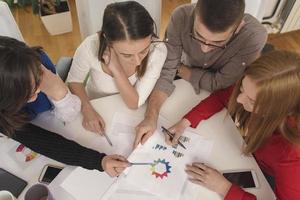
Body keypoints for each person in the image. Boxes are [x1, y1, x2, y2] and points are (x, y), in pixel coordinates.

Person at [167, 50, 300, 199]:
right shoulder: (257, 88)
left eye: (252, 101)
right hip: (256, 158)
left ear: (280, 109)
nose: (239, 99)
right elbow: (224, 96)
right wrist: (185, 122)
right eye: (242, 89)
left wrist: (224, 187)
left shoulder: (292, 155)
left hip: (277, 178)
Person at [134, 0, 268, 148]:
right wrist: (151, 116)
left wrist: (180, 68)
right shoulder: (181, 17)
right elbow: (167, 71)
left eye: (218, 42)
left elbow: (221, 83)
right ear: (194, 14)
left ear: (239, 27)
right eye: (198, 35)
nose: (204, 48)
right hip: (184, 82)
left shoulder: (254, 36)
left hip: (216, 94)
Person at [0, 36, 130, 177]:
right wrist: (98, 161)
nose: (38, 90)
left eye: (37, 81)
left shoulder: (37, 64)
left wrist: (59, 91)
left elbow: (66, 117)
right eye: (27, 93)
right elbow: (37, 139)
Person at [67, 1, 167, 134]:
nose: (137, 61)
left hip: (129, 113)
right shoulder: (89, 46)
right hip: (96, 106)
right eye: (127, 54)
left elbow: (134, 103)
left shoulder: (158, 50)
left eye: (144, 51)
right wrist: (87, 109)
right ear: (108, 41)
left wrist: (116, 69)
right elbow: (74, 81)